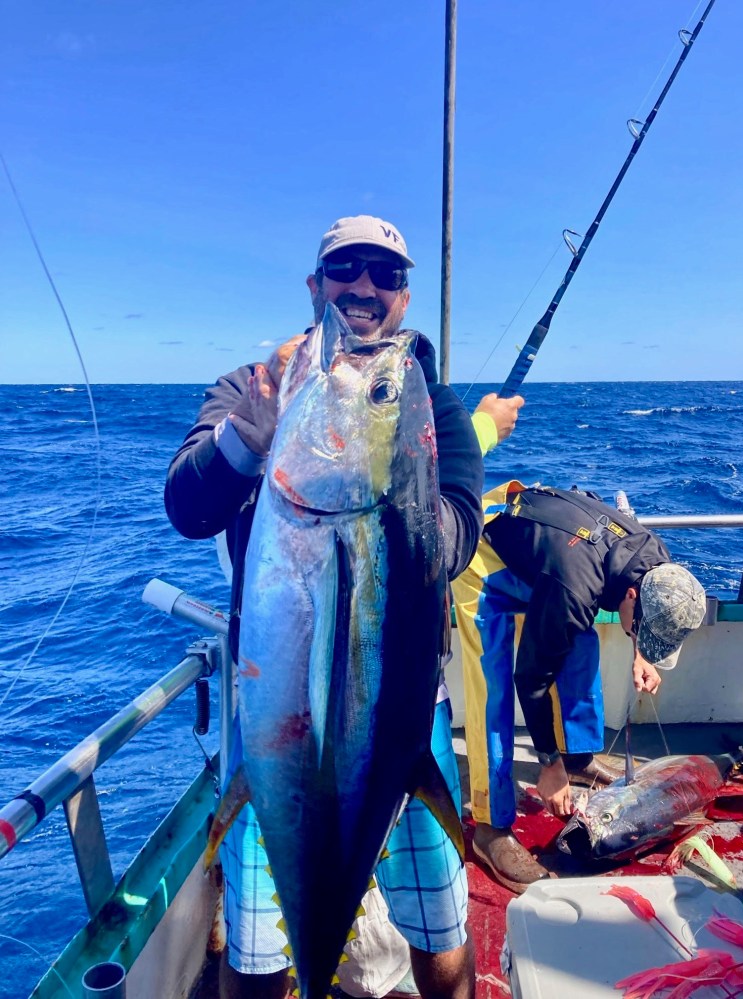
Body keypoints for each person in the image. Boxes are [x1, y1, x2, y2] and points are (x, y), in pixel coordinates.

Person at [164, 215, 484, 999]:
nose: (364, 288)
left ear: (405, 296)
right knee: (257, 946)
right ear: (315, 286)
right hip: (277, 717)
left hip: (405, 714)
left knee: (439, 927)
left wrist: (394, 496)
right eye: (346, 269)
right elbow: (187, 505)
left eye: (386, 274)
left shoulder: (431, 406)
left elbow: (458, 532)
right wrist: (256, 431)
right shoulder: (252, 387)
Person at [452, 481, 706, 893]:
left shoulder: (658, 564)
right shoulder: (576, 588)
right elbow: (530, 679)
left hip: (555, 554)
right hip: (488, 551)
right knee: (491, 686)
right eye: (643, 633)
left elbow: (634, 605)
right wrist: (546, 767)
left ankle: (578, 758)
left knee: (580, 643)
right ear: (631, 596)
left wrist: (643, 653)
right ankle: (489, 828)